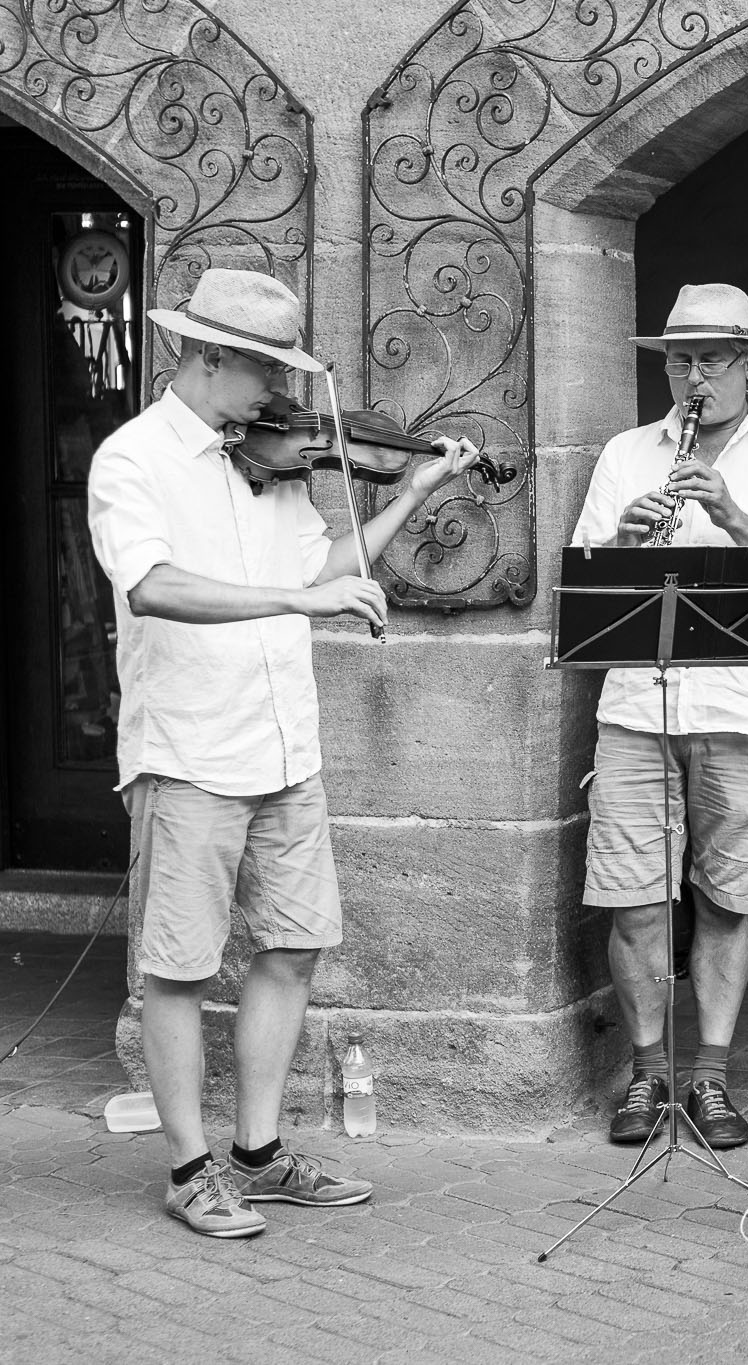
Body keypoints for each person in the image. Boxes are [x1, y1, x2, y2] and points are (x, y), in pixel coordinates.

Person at [85, 268, 481, 1238]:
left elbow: (324, 569)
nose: (278, 392)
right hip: (190, 751)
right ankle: (189, 1169)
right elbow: (154, 586)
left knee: (294, 947)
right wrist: (298, 603)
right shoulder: (131, 460)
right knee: (176, 970)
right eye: (264, 367)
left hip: (285, 747)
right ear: (211, 355)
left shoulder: (269, 461)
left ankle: (257, 1155)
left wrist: (416, 489)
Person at [572, 283, 748, 1152]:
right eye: (680, 359)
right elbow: (585, 577)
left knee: (727, 899)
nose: (695, 376)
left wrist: (726, 511)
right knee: (634, 899)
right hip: (638, 707)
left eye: (713, 359)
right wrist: (624, 539)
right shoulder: (625, 453)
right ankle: (649, 1072)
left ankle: (711, 1079)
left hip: (745, 704)